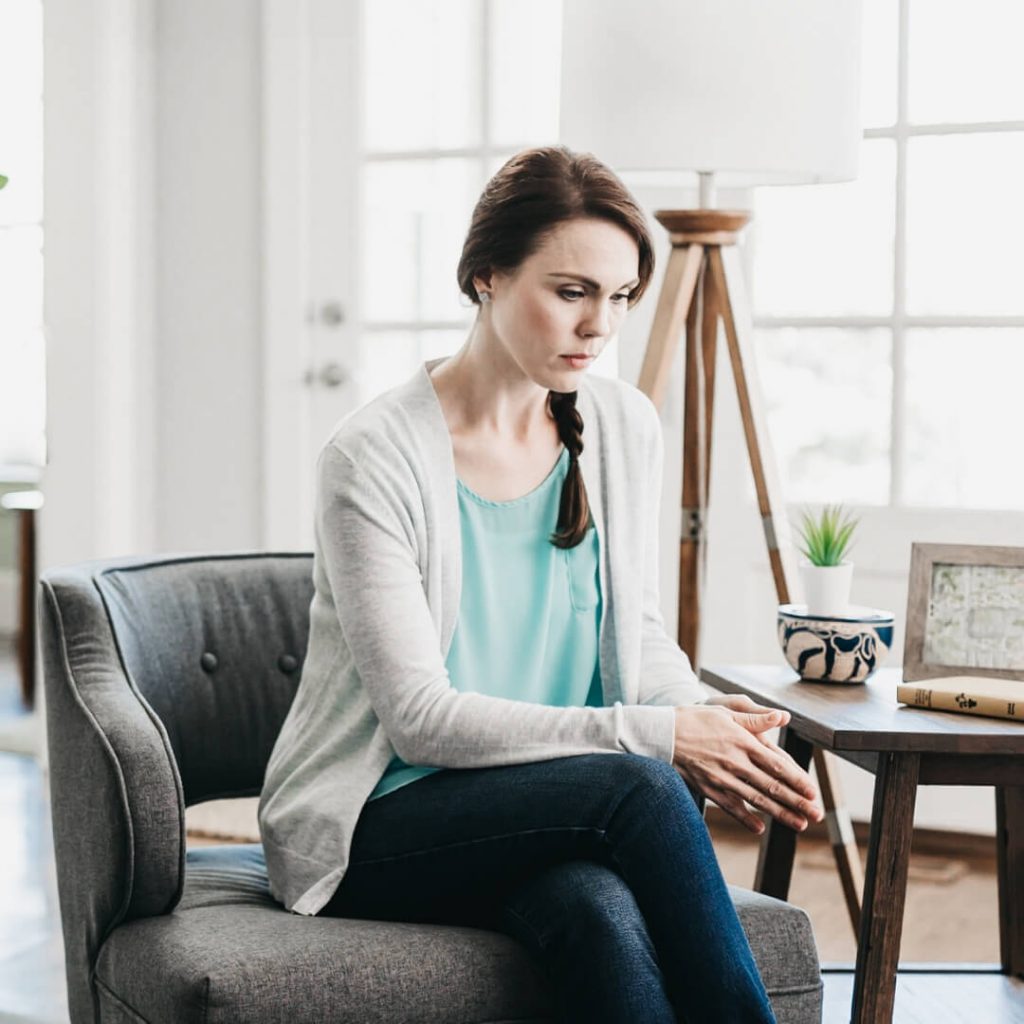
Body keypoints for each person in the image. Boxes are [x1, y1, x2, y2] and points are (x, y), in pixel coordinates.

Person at [258, 144, 824, 1024]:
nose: (599, 326)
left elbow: (634, 633)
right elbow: (420, 719)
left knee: (595, 912)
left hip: (546, 804)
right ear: (486, 275)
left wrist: (704, 722)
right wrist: (664, 739)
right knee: (642, 783)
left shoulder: (619, 425)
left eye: (622, 297)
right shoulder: (373, 458)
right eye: (572, 292)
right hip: (379, 820)